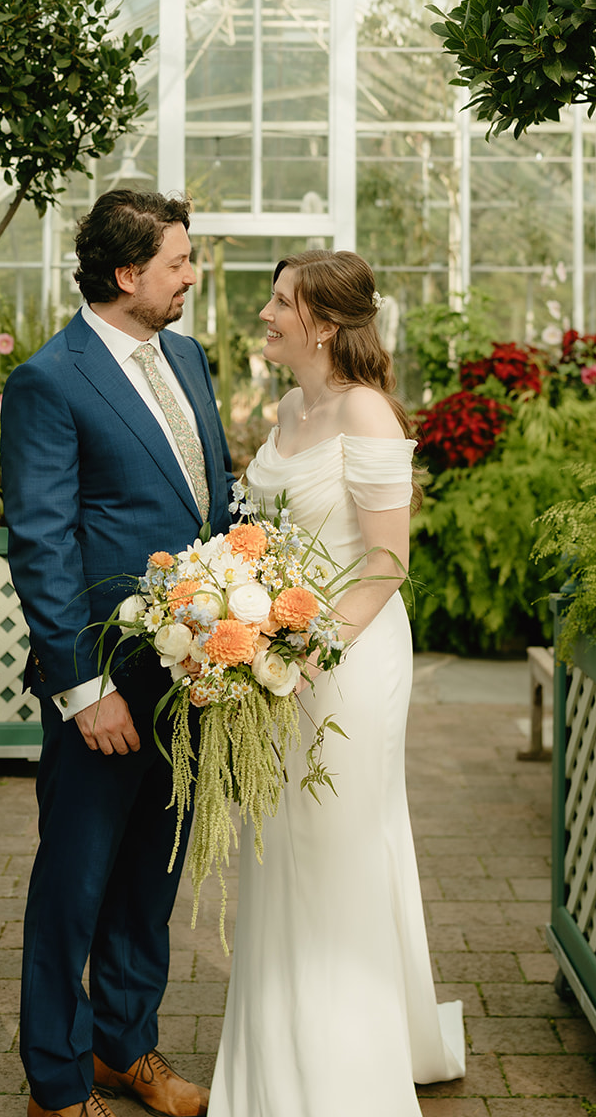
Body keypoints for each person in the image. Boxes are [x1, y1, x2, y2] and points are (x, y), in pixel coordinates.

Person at [209, 250, 466, 1117]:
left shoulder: (367, 412)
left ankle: (346, 1075)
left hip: (347, 662)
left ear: (322, 322)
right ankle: (286, 1047)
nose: (267, 313)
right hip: (276, 651)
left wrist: (307, 651)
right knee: (280, 851)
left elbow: (387, 564)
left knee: (336, 846)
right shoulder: (287, 405)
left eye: (281, 302)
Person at [2, 190, 234, 1117]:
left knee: (151, 876)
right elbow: (42, 542)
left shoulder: (187, 356)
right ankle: (55, 1084)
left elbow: (207, 502)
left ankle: (123, 1047)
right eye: (177, 262)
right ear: (127, 274)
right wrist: (82, 688)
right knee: (77, 881)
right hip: (104, 682)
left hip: (193, 674)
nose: (191, 275)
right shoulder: (48, 380)